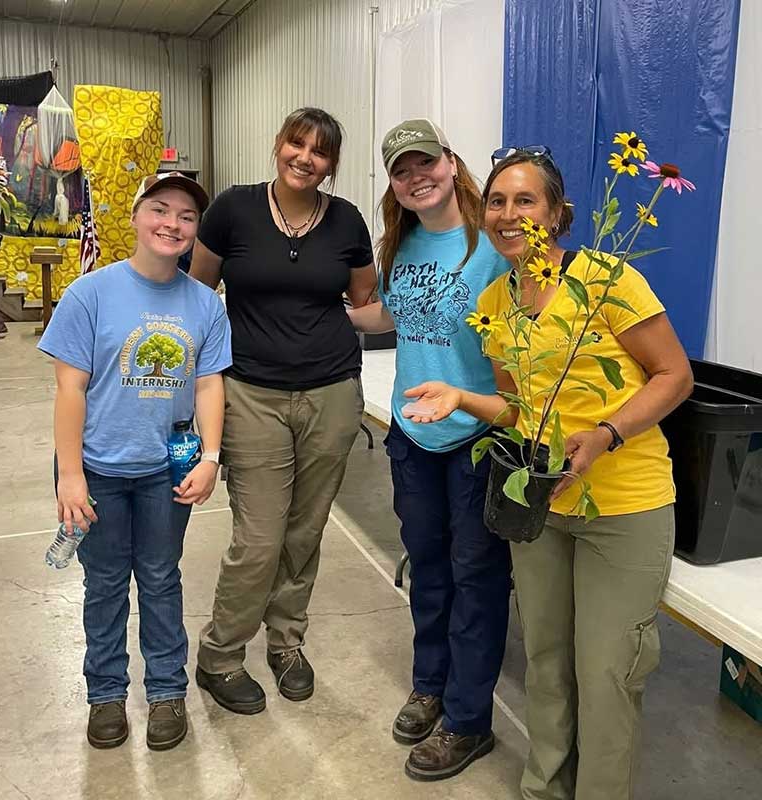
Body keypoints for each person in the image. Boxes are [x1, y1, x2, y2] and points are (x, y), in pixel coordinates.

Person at [404, 148, 693, 799]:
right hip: (542, 507)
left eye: (525, 200)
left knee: (606, 671)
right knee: (546, 663)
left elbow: (676, 376)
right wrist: (463, 399)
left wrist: (609, 432)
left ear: (557, 214)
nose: (509, 214)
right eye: (498, 202)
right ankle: (544, 788)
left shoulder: (606, 278)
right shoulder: (494, 302)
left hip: (623, 510)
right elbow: (519, 408)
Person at [189, 107, 377, 714]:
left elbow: (364, 299)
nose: (306, 158)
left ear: (332, 164)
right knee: (260, 537)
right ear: (279, 146)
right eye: (297, 144)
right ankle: (220, 655)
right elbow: (198, 295)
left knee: (306, 529)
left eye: (320, 152)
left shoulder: (346, 221)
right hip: (251, 395)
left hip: (331, 394)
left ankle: (287, 640)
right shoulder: (234, 210)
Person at [38, 172, 232, 751]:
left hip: (163, 470)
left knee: (160, 577)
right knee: (103, 584)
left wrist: (212, 457)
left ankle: (168, 691)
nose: (172, 224)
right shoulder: (90, 294)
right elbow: (69, 390)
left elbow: (208, 386)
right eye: (160, 210)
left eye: (186, 216)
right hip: (96, 469)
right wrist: (70, 477)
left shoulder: (204, 303)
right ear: (136, 216)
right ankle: (105, 695)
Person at [348, 119, 512, 782]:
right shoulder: (404, 242)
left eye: (426, 163)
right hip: (413, 434)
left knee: (478, 578)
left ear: (451, 161)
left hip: (477, 434)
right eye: (401, 169)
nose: (417, 177)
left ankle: (470, 721)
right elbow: (389, 314)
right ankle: (430, 684)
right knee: (427, 563)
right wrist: (310, 303)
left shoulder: (492, 243)